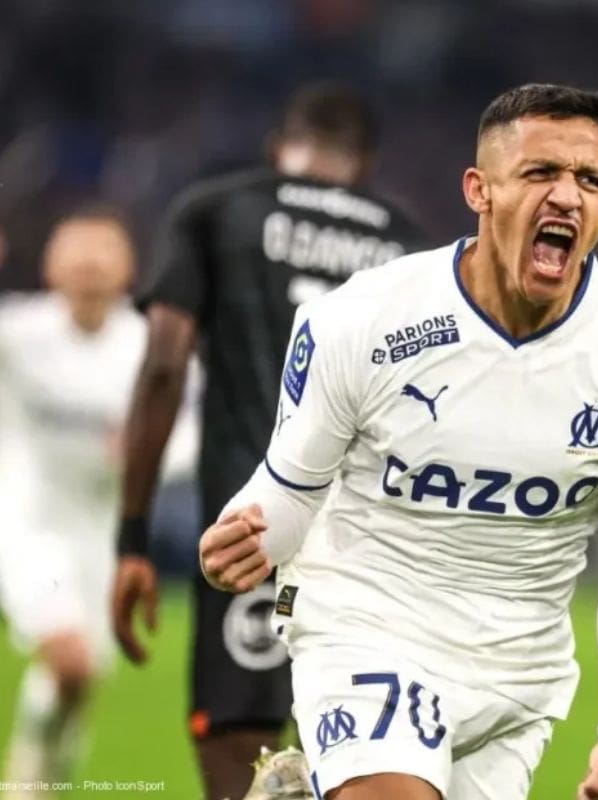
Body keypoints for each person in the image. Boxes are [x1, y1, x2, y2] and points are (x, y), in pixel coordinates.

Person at [199, 83, 598, 800]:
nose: (568, 196)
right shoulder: (365, 321)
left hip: (516, 677)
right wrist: (246, 537)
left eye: (591, 180)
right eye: (540, 173)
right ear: (479, 190)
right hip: (366, 619)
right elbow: (290, 492)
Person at [110, 82, 427, 800]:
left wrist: (132, 541)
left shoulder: (216, 210)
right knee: (367, 761)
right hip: (376, 545)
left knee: (241, 756)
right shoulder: (409, 244)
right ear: (367, 160)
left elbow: (163, 368)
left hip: (248, 529)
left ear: (277, 146)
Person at [0, 209, 196, 792]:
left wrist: (143, 451)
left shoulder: (149, 345)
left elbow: (188, 429)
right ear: (51, 264)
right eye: (75, 251)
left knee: (78, 681)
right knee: (70, 659)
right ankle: (27, 782)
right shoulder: (17, 332)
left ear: (127, 266)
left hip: (105, 535)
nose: (88, 264)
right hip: (27, 521)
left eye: (101, 251)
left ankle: (40, 775)